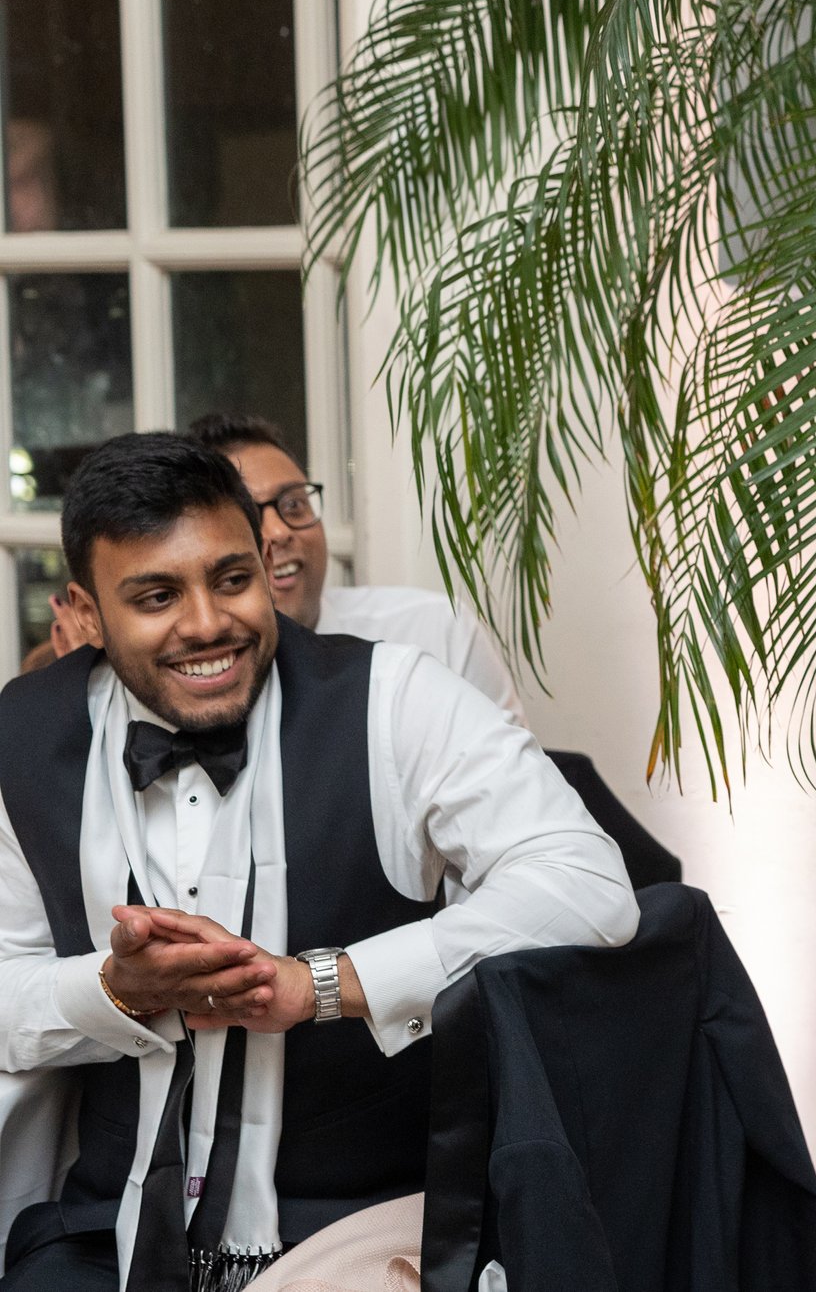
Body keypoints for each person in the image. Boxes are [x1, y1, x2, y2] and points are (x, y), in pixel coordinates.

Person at [0, 433, 638, 1291]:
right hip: (99, 1237)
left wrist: (325, 984)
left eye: (231, 578)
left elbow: (589, 885)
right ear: (84, 610)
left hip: (361, 1229)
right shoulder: (23, 735)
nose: (206, 622)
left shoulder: (396, 698)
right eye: (156, 595)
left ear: (265, 564)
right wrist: (118, 991)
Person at [188, 412, 527, 721]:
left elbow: (517, 779)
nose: (279, 532)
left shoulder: (436, 631)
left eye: (294, 504)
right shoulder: (194, 678)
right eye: (250, 513)